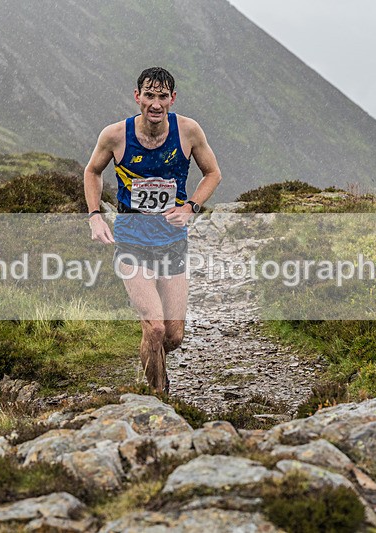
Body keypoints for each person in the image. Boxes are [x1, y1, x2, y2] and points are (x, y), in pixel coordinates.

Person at [84, 67, 222, 393]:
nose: (156, 104)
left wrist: (191, 207)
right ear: (138, 97)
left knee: (173, 334)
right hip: (132, 241)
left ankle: (149, 356)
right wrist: (94, 216)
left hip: (172, 243)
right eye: (149, 95)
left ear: (172, 99)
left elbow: (213, 173)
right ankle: (159, 397)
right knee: (156, 328)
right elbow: (92, 171)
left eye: (162, 96)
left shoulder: (188, 131)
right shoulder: (115, 135)